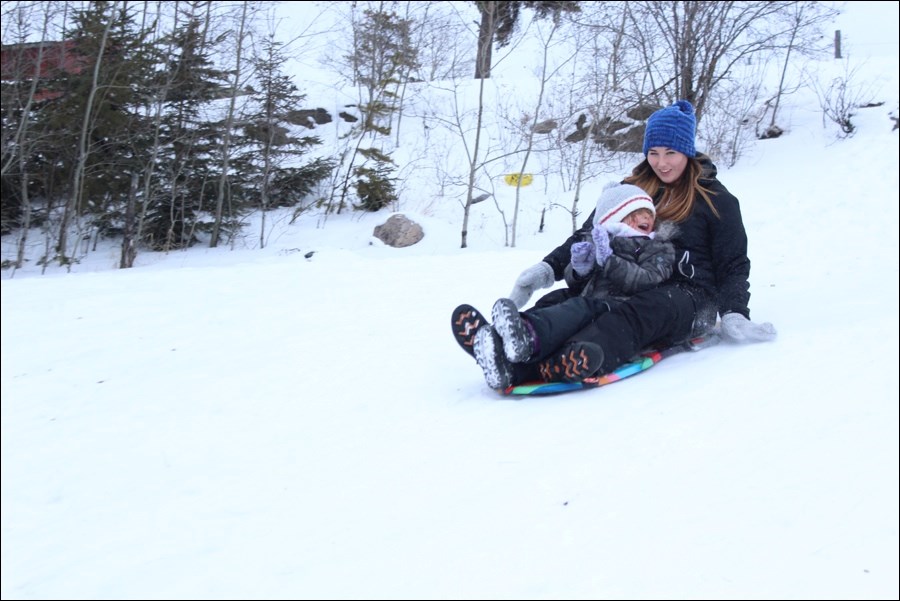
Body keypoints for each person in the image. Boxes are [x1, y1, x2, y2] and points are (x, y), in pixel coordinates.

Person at [455, 99, 776, 391]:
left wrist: (734, 311)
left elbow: (733, 264)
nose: (661, 163)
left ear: (687, 151)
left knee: (640, 310)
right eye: (653, 153)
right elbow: (589, 233)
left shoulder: (717, 201)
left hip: (689, 296)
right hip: (627, 275)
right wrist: (548, 268)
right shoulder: (630, 189)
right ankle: (508, 345)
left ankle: (579, 355)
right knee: (572, 298)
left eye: (670, 153)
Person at [472, 182, 679, 389]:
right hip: (589, 296)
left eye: (648, 213)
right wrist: (580, 269)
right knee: (555, 299)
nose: (645, 218)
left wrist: (609, 260)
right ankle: (507, 340)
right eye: (634, 213)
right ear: (614, 218)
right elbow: (575, 281)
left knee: (577, 309)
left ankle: (528, 335)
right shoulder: (599, 238)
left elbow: (648, 279)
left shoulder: (657, 246)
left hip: (616, 305)